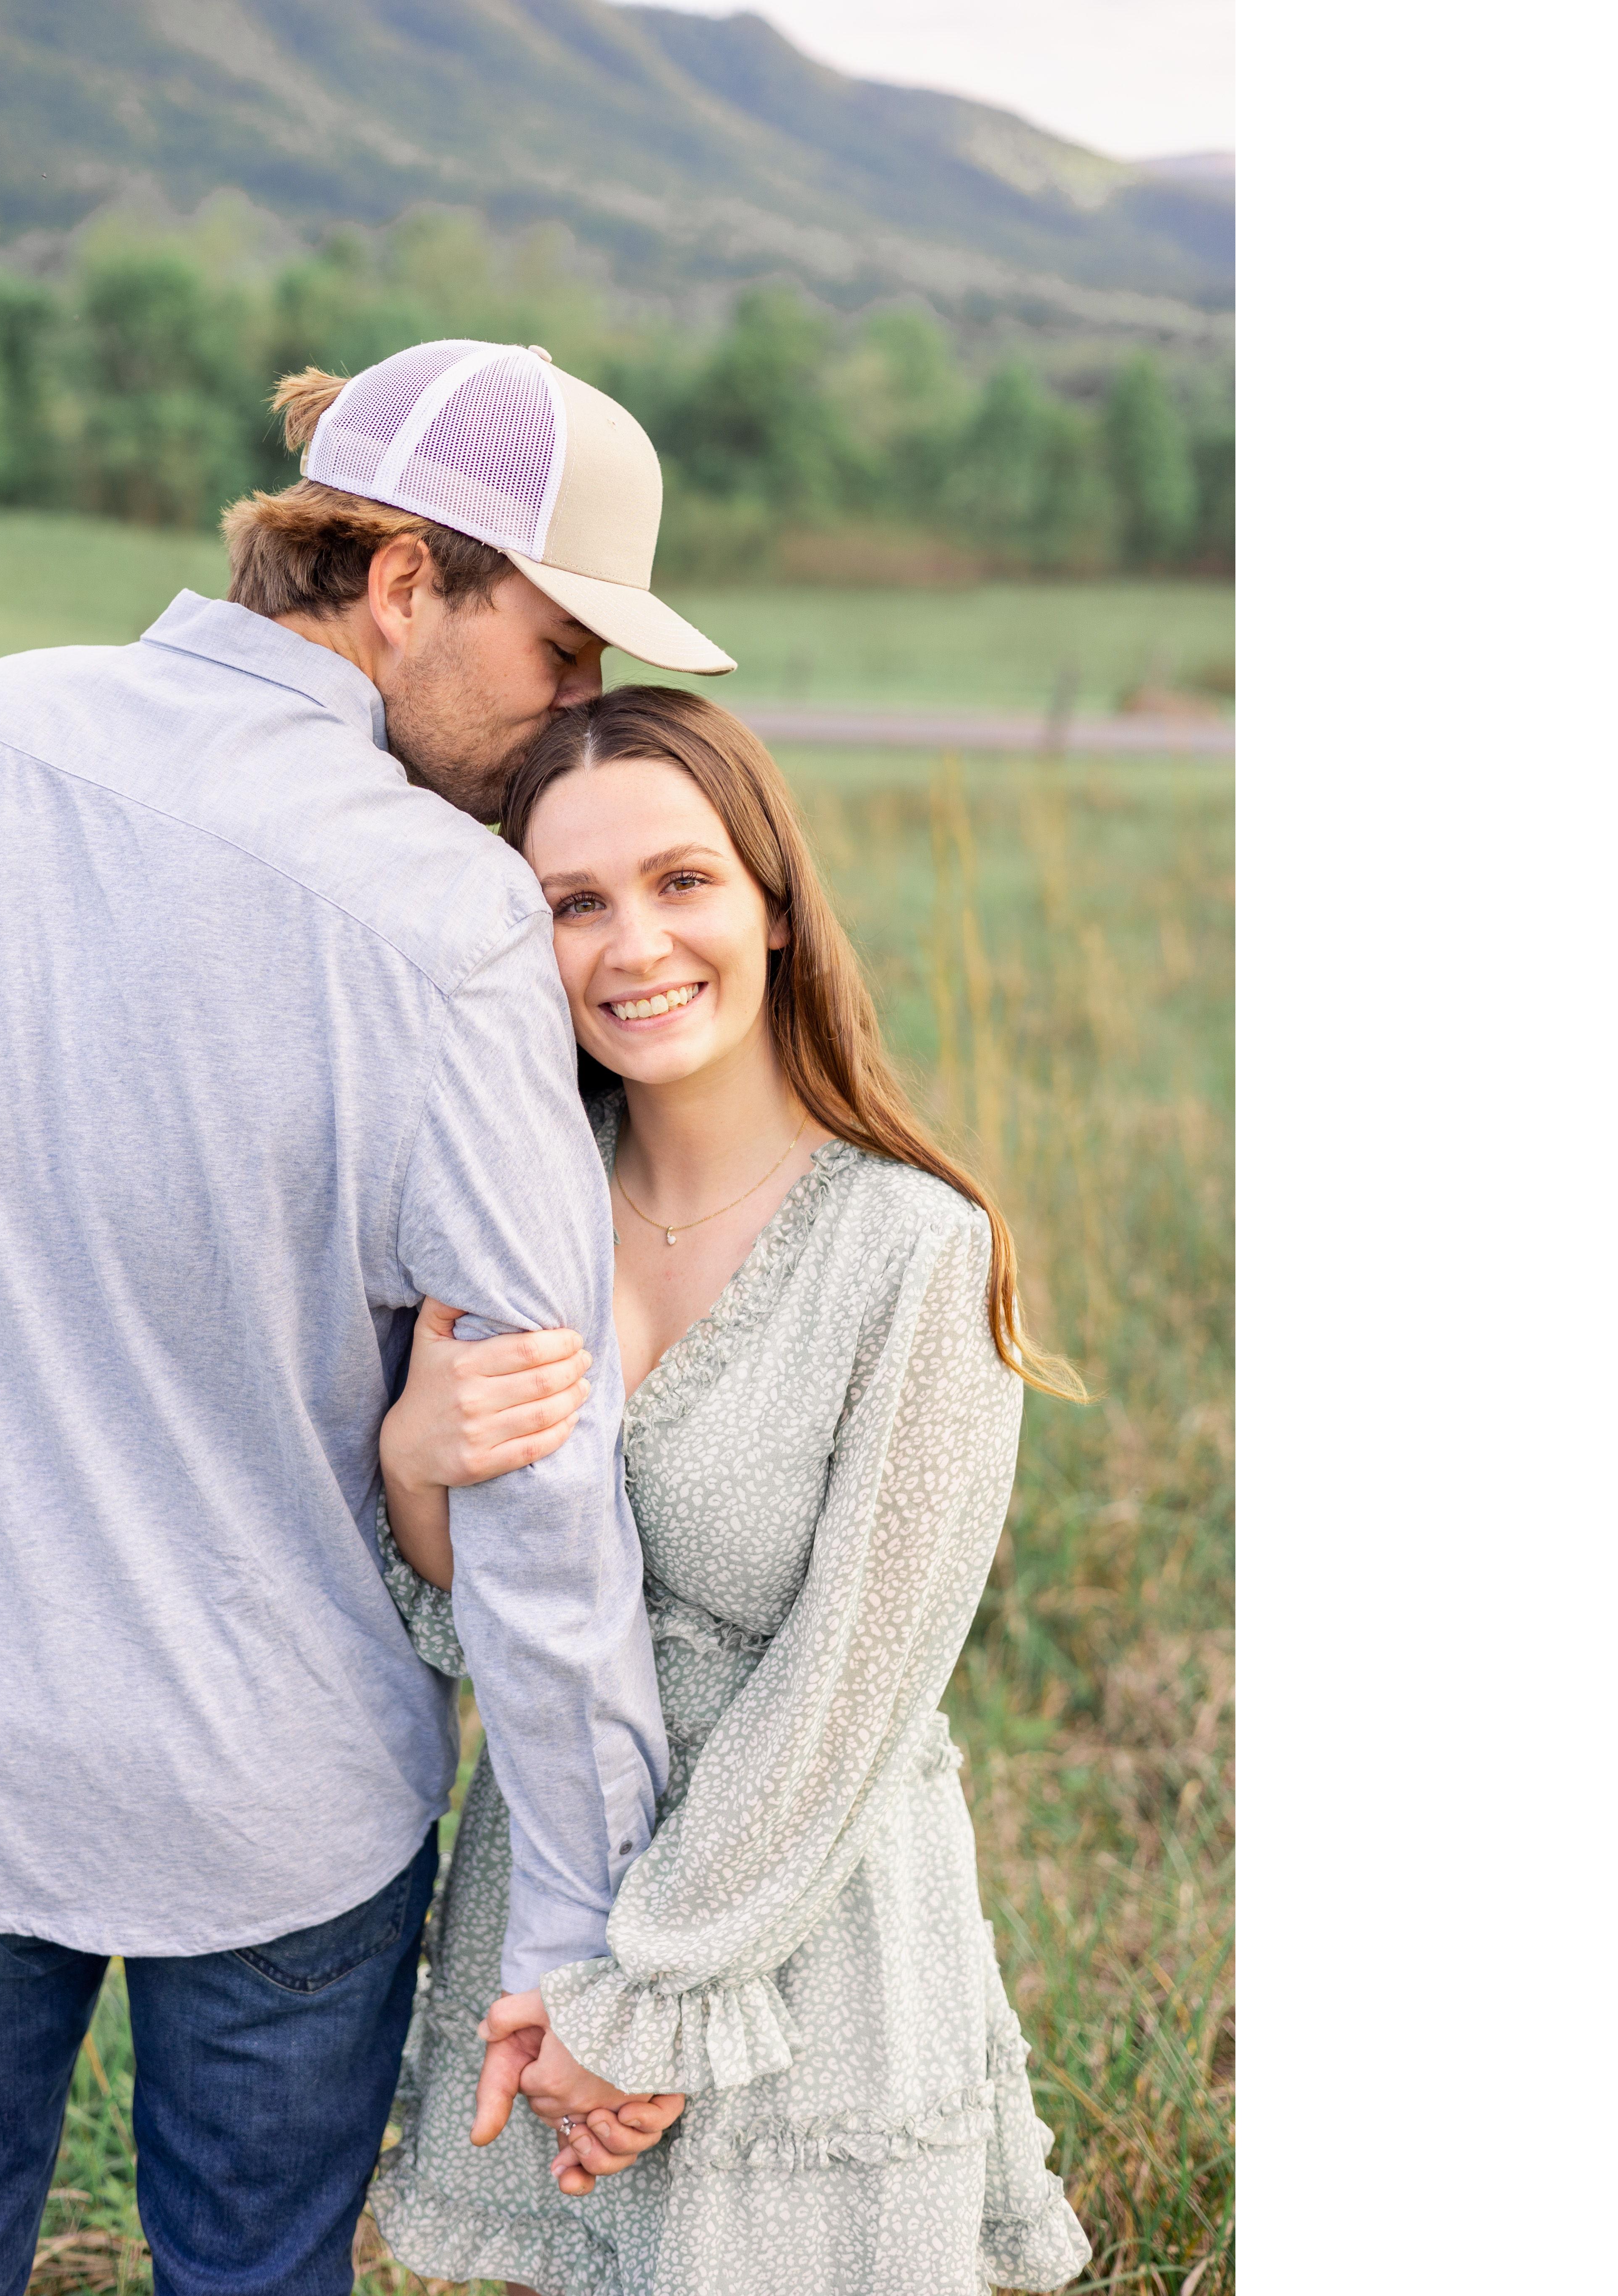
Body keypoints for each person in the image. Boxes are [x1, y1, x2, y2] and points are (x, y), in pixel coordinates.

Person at [0, 342, 738, 2295]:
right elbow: (543, 1468)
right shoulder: (445, 918)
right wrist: (581, 1926)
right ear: (402, 583)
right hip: (269, 1791)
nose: (579, 709)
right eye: (562, 650)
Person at [366, 686, 1096, 2294]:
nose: (633, 946)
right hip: (553, 1898)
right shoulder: (513, 1203)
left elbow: (851, 1692)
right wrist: (415, 1458)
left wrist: (639, 2009)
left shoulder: (913, 1250)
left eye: (681, 881)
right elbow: (469, 1612)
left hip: (796, 1942)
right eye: (574, 903)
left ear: (772, 901)